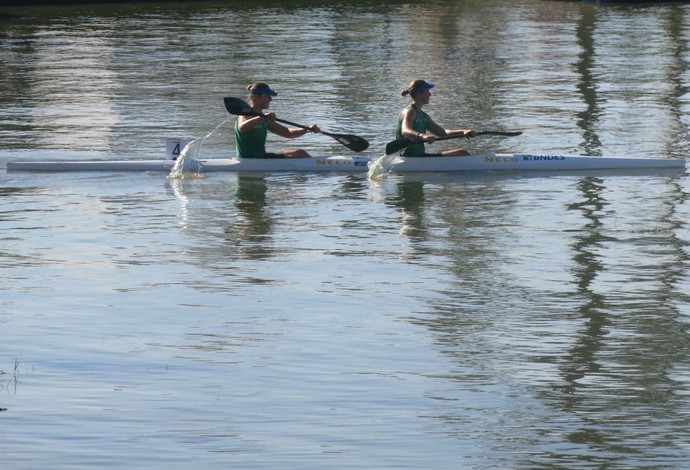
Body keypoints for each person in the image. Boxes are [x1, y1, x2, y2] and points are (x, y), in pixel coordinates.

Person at [234, 83, 320, 158]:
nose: (270, 99)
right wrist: (262, 117)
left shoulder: (264, 119)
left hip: (260, 156)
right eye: (268, 96)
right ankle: (318, 167)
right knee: (301, 154)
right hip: (250, 158)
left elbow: (288, 133)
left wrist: (306, 129)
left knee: (297, 152)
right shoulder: (245, 114)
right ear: (257, 96)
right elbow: (242, 128)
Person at [395, 79, 475, 156]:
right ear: (419, 93)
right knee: (462, 153)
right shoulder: (410, 111)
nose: (430, 94)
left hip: (419, 155)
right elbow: (405, 131)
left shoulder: (423, 115)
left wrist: (463, 132)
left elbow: (442, 133)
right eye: (428, 91)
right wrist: (423, 136)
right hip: (409, 157)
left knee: (461, 152)